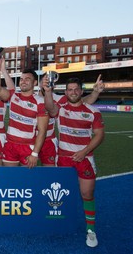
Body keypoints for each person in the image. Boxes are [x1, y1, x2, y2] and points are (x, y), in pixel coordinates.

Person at [42, 76, 104, 248]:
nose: (73, 92)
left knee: (87, 194)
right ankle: (60, 224)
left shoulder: (93, 112)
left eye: (76, 89)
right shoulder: (60, 109)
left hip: (85, 159)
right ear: (66, 92)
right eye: (70, 89)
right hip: (63, 160)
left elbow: (99, 135)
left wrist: (84, 152)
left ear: (81, 91)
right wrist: (48, 91)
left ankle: (91, 231)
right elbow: (49, 107)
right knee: (61, 195)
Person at [36, 74, 104, 166]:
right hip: (30, 140)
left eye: (50, 80)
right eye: (45, 80)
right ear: (40, 83)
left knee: (50, 173)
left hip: (48, 141)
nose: (48, 82)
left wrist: (95, 92)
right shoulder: (31, 96)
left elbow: (81, 100)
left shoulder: (58, 99)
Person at [0, 62, 49, 168]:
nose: (23, 81)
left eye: (27, 79)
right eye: (22, 79)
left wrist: (35, 153)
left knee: (26, 182)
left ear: (35, 82)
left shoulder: (40, 102)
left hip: (28, 147)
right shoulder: (13, 96)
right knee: (10, 181)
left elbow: (42, 131)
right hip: (10, 145)